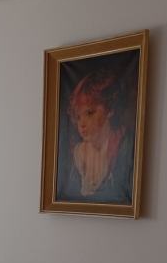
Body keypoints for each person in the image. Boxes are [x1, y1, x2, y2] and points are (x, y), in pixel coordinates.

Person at [57, 67, 134, 204]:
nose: (82, 124)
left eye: (90, 113)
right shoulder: (80, 153)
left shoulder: (124, 145)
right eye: (78, 116)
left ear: (109, 109)